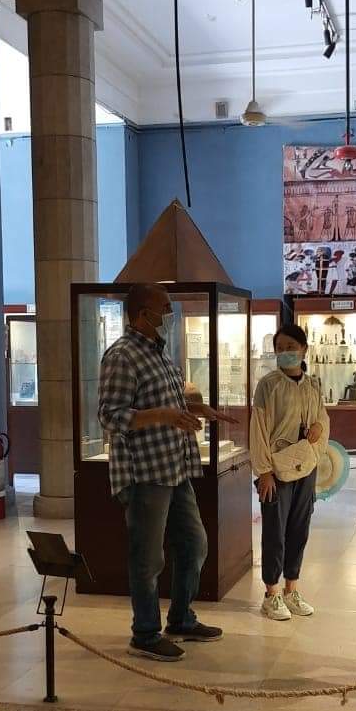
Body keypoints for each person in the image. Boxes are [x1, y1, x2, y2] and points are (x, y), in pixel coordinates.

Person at [98, 284, 234, 662]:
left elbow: (168, 401)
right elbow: (110, 416)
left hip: (175, 467)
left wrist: (196, 409)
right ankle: (145, 633)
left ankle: (181, 618)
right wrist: (163, 416)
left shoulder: (158, 353)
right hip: (145, 473)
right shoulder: (122, 356)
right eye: (165, 308)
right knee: (147, 558)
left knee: (194, 543)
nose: (169, 315)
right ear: (143, 314)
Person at [250, 324, 329, 621]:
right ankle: (271, 593)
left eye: (291, 347)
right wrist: (264, 471)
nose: (285, 353)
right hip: (276, 470)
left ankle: (291, 588)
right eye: (280, 348)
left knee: (299, 527)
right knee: (275, 529)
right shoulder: (267, 385)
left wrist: (318, 429)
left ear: (304, 349)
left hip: (306, 466)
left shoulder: (313, 385)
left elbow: (322, 419)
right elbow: (258, 428)